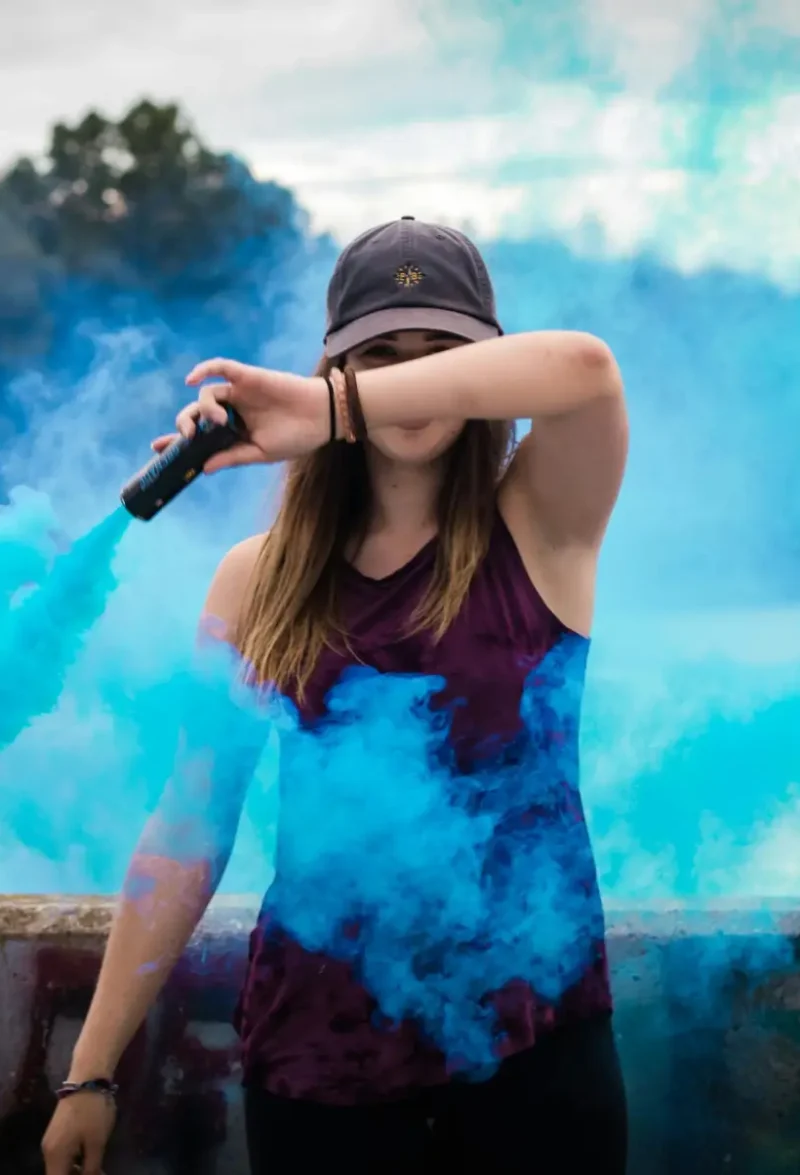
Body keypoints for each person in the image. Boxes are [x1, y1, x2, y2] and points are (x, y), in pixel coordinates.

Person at [42, 217, 629, 1174]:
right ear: (334, 361)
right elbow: (190, 827)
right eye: (380, 352)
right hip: (319, 1075)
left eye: (439, 356)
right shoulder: (254, 579)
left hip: (537, 1059)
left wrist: (333, 407)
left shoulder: (543, 523)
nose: (407, 381)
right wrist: (91, 1071)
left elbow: (587, 369)